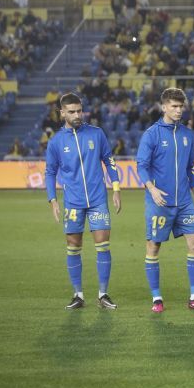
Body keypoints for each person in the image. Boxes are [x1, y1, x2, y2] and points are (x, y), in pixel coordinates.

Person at [138, 88, 194, 312]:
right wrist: (151, 189)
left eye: (181, 106)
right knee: (153, 247)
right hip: (159, 201)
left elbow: (190, 167)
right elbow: (141, 165)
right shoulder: (151, 134)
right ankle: (156, 298)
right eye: (174, 106)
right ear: (163, 107)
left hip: (184, 202)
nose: (178, 110)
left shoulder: (187, 134)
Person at [45, 93, 122, 310]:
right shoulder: (56, 142)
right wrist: (53, 200)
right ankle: (78, 294)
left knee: (103, 245)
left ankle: (103, 294)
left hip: (98, 199)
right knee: (73, 246)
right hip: (73, 202)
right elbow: (50, 172)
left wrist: (116, 188)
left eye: (79, 110)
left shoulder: (96, 134)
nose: (77, 115)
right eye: (72, 112)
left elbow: (110, 161)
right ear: (62, 113)